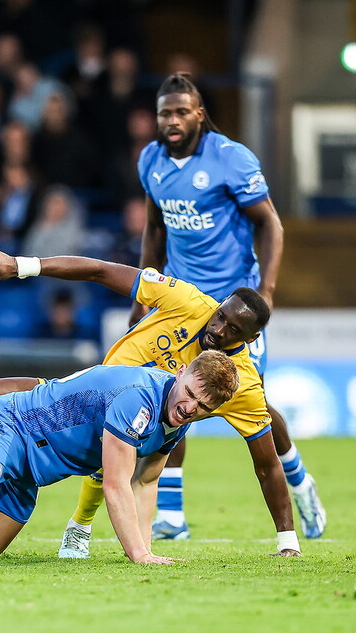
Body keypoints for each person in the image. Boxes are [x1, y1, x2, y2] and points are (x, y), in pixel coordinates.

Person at [0, 249, 301, 559]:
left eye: (232, 330)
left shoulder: (242, 384)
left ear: (247, 342)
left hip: (119, 434)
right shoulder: (187, 300)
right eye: (220, 317)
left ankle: (80, 525)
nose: (218, 329)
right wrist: (21, 265)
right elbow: (100, 270)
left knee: (125, 442)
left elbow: (265, 462)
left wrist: (287, 540)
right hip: (69, 398)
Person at [133, 73, 324, 540]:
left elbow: (271, 224)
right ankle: (172, 515)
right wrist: (141, 297)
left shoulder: (231, 159)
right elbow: (155, 229)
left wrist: (268, 290)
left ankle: (299, 480)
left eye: (181, 112)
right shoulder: (151, 161)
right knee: (170, 392)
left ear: (199, 113)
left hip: (231, 307)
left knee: (254, 404)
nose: (172, 121)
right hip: (182, 301)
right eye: (165, 113)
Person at [0, 349, 240, 564]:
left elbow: (146, 481)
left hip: (30, 469)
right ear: (184, 371)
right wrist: (137, 554)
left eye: (203, 407)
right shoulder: (138, 398)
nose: (190, 407)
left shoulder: (177, 419)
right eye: (190, 393)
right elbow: (117, 484)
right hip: (10, 426)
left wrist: (149, 549)